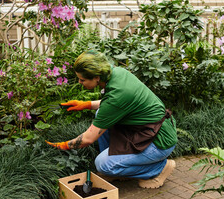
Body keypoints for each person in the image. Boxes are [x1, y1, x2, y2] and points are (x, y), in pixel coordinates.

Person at [45, 50, 177, 189]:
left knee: (103, 165)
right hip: (145, 130)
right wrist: (86, 105)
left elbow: (88, 139)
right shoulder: (116, 73)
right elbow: (113, 105)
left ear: (96, 77)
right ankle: (117, 166)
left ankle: (159, 168)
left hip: (159, 141)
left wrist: (63, 145)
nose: (79, 82)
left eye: (82, 79)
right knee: (100, 114)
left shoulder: (118, 93)